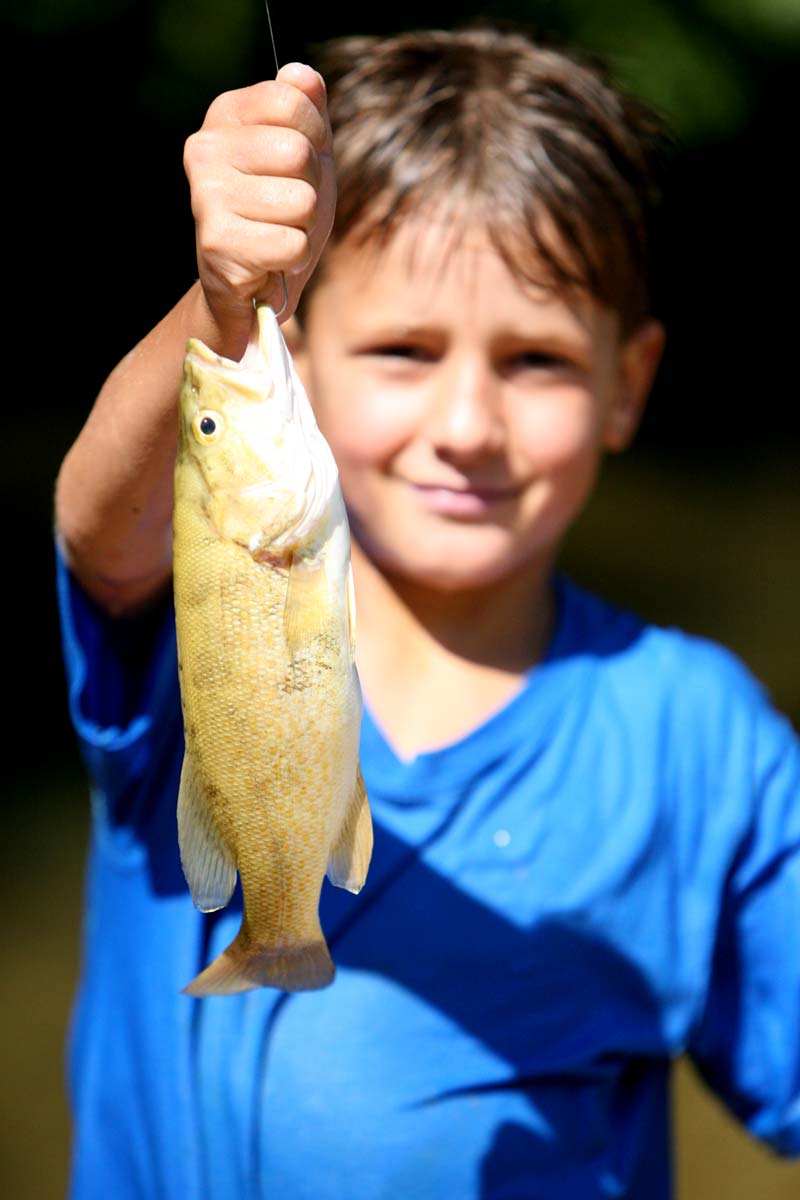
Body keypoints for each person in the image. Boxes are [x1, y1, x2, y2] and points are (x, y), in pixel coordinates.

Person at [55, 26, 800, 1200]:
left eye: (536, 361)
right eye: (401, 349)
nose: (466, 424)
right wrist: (224, 306)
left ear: (628, 384)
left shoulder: (700, 739)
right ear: (296, 354)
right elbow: (103, 523)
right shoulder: (179, 614)